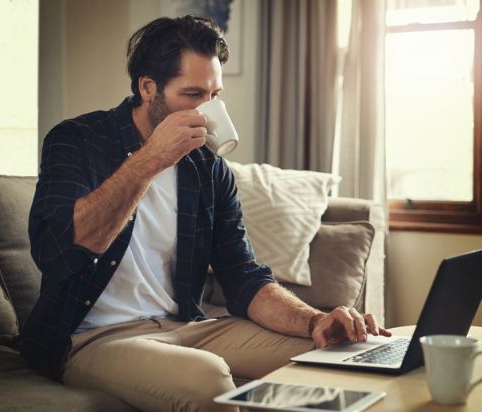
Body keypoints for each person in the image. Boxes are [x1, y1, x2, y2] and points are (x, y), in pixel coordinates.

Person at [21, 15, 390, 412]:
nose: (206, 110)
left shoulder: (208, 168)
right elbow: (57, 252)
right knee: (208, 379)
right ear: (148, 88)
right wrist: (150, 160)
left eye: (214, 95)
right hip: (93, 338)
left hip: (187, 327)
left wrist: (315, 321)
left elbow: (243, 276)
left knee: (340, 355)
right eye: (193, 94)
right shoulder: (75, 140)